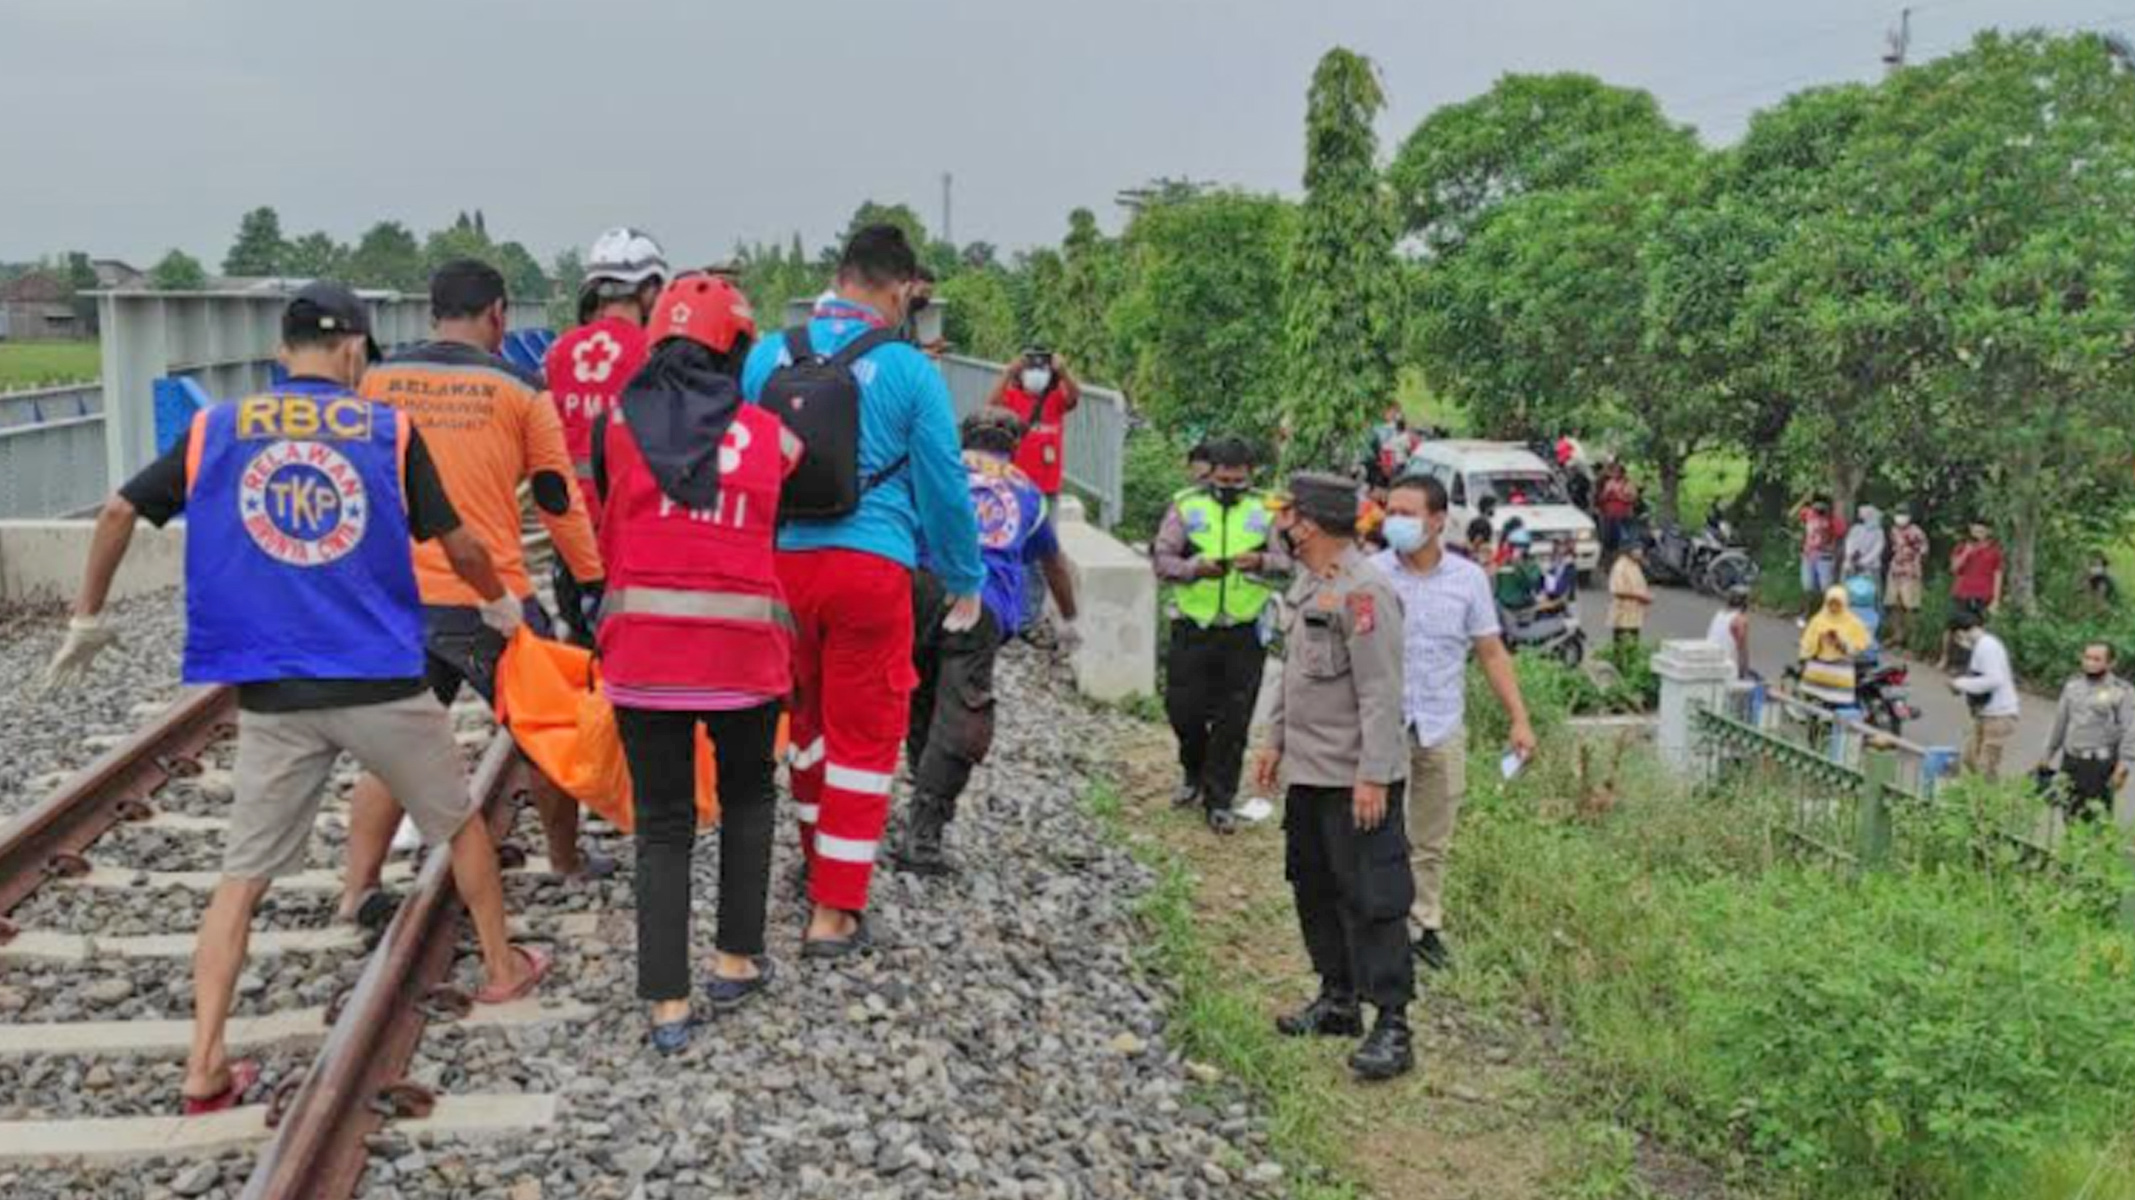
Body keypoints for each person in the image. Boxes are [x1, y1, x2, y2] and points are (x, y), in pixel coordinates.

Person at [38, 284, 545, 1110]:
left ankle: (204, 1063)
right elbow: (456, 541)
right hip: (381, 678)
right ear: (352, 352)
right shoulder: (386, 428)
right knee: (459, 826)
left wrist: (87, 614)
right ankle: (500, 968)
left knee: (242, 878)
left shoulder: (214, 429)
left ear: (282, 353)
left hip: (273, 689)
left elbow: (120, 507)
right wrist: (496, 599)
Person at [341, 260, 611, 924]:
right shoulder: (518, 388)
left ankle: (357, 889)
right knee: (546, 733)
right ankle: (566, 860)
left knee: (390, 743)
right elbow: (556, 498)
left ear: (433, 312)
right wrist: (596, 583)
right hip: (491, 600)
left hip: (399, 599)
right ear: (497, 314)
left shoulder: (376, 381)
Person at [741, 224, 983, 956]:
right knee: (865, 736)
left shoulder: (765, 356)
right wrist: (964, 578)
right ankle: (834, 910)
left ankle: (818, 859)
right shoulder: (909, 371)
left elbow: (740, 461)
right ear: (901, 286)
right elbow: (944, 483)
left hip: (778, 567)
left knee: (807, 728)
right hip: (868, 569)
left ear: (839, 274)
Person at [589, 274, 793, 1052]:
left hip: (643, 653)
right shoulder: (773, 435)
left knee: (663, 823)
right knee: (747, 798)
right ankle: (734, 959)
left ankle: (667, 1004)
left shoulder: (617, 426)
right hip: (744, 653)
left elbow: (609, 522)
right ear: (735, 348)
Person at [1251, 473, 1415, 1081]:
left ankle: (1393, 1024)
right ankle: (1338, 998)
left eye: (1287, 515)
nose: (1282, 525)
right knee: (1313, 885)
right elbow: (1292, 671)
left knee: (1372, 898)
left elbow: (1380, 692)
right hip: (1310, 772)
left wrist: (1373, 776)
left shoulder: (1365, 591)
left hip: (1356, 778)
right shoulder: (1309, 582)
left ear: (1310, 522)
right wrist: (1274, 741)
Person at [898, 408, 1081, 874]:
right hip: (982, 604)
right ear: (1015, 445)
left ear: (961, 434)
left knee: (919, 695)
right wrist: (1070, 616)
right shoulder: (1028, 492)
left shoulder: (933, 466)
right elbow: (1054, 563)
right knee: (961, 711)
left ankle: (921, 786)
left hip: (919, 590)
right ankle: (926, 832)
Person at [1371, 473, 1536, 972]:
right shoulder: (1371, 575)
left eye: (1406, 514)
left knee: (1431, 835)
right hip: (1381, 726)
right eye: (1390, 512)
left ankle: (1424, 925)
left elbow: (1490, 651)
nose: (1394, 522)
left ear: (1438, 521)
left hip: (1440, 723)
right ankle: (1378, 922)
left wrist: (1519, 720)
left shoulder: (1468, 580)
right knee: (1377, 829)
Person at [1151, 435, 1283, 832]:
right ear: (1210, 474)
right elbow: (1162, 559)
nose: (1228, 489)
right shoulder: (1187, 505)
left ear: (1250, 475)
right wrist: (1195, 568)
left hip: (1244, 630)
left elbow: (1286, 561)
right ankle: (1194, 772)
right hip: (1194, 625)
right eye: (1222, 481)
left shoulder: (1267, 508)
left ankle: (1220, 799)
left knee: (1234, 718)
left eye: (1236, 481)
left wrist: (1260, 559)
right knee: (1183, 709)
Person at [543, 228, 667, 646]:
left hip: (571, 532)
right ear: (649, 290)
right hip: (630, 530)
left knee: (581, 654)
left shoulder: (559, 352)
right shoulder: (654, 352)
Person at [2039, 643, 2135, 824]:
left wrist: (2124, 766)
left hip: (2098, 767)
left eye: (2097, 659)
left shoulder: (2122, 692)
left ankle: (2094, 851)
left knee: (2095, 818)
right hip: (2071, 761)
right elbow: (2060, 723)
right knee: (2068, 810)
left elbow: (2130, 730)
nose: (2090, 663)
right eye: (2087, 657)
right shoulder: (2072, 686)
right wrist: (2047, 753)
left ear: (2111, 663)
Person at [988, 346, 1081, 502]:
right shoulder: (1013, 396)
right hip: (1017, 481)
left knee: (1047, 525)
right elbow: (992, 405)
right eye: (1031, 369)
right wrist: (1008, 373)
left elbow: (1074, 395)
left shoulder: (1055, 397)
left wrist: (1064, 372)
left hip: (1048, 484)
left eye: (1042, 370)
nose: (1036, 375)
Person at [1948, 612, 2020, 780]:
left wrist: (1960, 683)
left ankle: (1987, 800)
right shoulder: (1981, 646)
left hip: (1999, 714)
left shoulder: (1987, 646)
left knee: (1985, 767)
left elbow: (1994, 679)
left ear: (1960, 633)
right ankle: (1980, 794)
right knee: (1970, 758)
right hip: (1985, 712)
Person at [1797, 587, 1870, 708]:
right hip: (1820, 669)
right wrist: (1820, 639)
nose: (1834, 608)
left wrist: (1841, 643)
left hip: (1841, 668)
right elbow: (1808, 641)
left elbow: (1862, 643)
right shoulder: (1818, 620)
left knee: (1841, 704)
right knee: (1814, 701)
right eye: (1831, 604)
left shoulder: (1853, 622)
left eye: (1837, 604)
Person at [1885, 504, 1929, 647]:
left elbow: (1924, 551)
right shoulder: (1893, 530)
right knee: (1893, 604)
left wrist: (1915, 566)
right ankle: (1898, 636)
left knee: (1911, 607)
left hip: (1910, 573)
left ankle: (1913, 639)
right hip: (1895, 571)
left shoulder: (1916, 532)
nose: (1900, 517)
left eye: (1903, 514)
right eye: (1898, 514)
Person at [1797, 496, 1840, 620]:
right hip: (1808, 556)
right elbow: (1793, 514)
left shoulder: (1833, 520)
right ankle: (1806, 613)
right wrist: (1806, 501)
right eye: (1816, 505)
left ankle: (1827, 614)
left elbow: (1839, 536)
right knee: (1807, 586)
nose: (1819, 508)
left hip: (1825, 557)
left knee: (1826, 587)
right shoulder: (1808, 514)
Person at [1950, 521, 2004, 617]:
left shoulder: (1994, 550)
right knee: (1961, 626)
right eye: (1975, 531)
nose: (1978, 535)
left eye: (1981, 532)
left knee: (1980, 626)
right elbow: (1954, 569)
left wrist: (1996, 599)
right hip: (1963, 594)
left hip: (1983, 595)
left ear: (1988, 532)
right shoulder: (1961, 547)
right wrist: (1966, 552)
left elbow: (1998, 575)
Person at [1608, 540, 1652, 646]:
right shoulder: (1620, 566)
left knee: (1633, 644)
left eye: (1641, 550)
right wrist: (1640, 596)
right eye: (1637, 550)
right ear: (1629, 551)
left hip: (1633, 615)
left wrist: (1646, 596)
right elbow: (1617, 590)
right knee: (1622, 645)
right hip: (1623, 615)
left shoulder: (1634, 565)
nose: (1640, 553)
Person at [1492, 527, 1543, 615]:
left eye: (1519, 546)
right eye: (1513, 546)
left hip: (1522, 608)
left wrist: (1519, 566)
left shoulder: (1532, 565)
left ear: (1526, 548)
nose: (1515, 550)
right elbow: (1498, 584)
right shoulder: (1504, 563)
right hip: (1503, 608)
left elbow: (1531, 584)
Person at [1707, 586, 1752, 680]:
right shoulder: (1740, 620)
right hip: (1727, 669)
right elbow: (1742, 651)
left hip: (1709, 664)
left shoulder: (1718, 614)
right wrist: (1744, 675)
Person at [1841, 504, 1886, 596]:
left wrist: (1863, 562)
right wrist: (1850, 557)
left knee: (1872, 592)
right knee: (1848, 592)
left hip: (1871, 567)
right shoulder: (1856, 529)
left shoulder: (1878, 532)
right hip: (1852, 565)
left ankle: (1877, 609)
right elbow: (1849, 543)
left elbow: (1877, 549)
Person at [1596, 463, 1638, 558]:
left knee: (1623, 538)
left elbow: (1633, 498)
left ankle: (1623, 555)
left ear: (1622, 473)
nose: (1615, 474)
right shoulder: (1609, 483)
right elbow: (1601, 498)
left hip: (1623, 514)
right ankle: (1610, 555)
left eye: (1617, 472)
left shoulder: (1628, 483)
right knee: (1609, 536)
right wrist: (1606, 494)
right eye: (1614, 472)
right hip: (1609, 514)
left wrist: (1619, 495)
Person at [1539, 537, 1579, 612]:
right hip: (1553, 590)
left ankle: (1569, 610)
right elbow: (1548, 576)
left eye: (1563, 546)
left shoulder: (1570, 565)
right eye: (1559, 546)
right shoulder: (1554, 562)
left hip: (1562, 591)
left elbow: (1569, 586)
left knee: (1569, 598)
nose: (1561, 548)